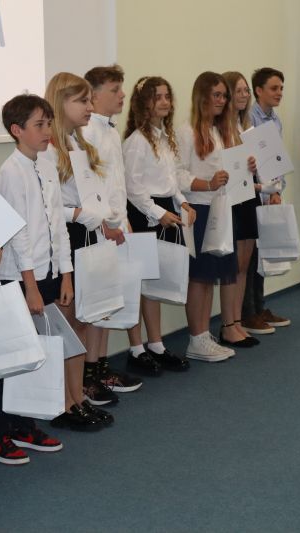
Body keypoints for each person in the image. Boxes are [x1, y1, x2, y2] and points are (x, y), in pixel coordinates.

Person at [0, 94, 69, 464]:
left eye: (48, 123)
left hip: (46, 272)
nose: (47, 131)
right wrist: (30, 287)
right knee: (11, 356)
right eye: (39, 125)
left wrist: (66, 274)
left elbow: (58, 225)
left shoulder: (46, 165)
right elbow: (17, 235)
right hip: (18, 279)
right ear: (17, 130)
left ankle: (23, 425)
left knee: (36, 353)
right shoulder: (11, 171)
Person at [42, 72, 116, 430]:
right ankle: (64, 402)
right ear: (61, 103)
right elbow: (49, 206)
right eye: (81, 101)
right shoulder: (48, 150)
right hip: (67, 235)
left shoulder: (78, 144)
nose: (89, 107)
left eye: (89, 100)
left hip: (87, 233)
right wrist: (81, 214)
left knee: (82, 320)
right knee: (67, 324)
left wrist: (101, 216)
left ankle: (77, 396)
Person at [176, 72, 256, 363]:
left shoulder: (220, 132)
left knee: (210, 277)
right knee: (199, 277)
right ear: (202, 97)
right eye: (217, 95)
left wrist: (245, 166)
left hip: (221, 209)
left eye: (224, 95)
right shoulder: (186, 132)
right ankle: (196, 338)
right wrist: (207, 184)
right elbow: (177, 175)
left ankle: (203, 335)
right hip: (200, 210)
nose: (222, 101)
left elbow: (227, 171)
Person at [123, 76, 197, 373]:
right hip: (144, 213)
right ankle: (136, 349)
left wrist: (182, 202)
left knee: (153, 282)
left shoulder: (164, 138)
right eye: (158, 97)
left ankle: (156, 345)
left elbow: (170, 180)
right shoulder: (136, 142)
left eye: (168, 96)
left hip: (164, 208)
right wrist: (158, 212)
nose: (165, 102)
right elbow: (133, 188)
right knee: (139, 282)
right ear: (144, 103)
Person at [82, 64, 143, 398]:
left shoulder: (110, 131)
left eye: (121, 88)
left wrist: (124, 220)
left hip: (118, 225)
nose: (122, 95)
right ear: (93, 95)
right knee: (97, 304)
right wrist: (107, 223)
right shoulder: (88, 132)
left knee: (108, 301)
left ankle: (101, 368)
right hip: (102, 229)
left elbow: (116, 183)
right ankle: (89, 374)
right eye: (114, 90)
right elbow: (90, 186)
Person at [242, 67, 291, 335]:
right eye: (274, 88)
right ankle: (247, 313)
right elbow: (251, 161)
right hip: (252, 193)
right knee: (249, 258)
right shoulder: (248, 118)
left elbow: (276, 159)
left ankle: (259, 308)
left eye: (281, 88)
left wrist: (277, 190)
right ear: (258, 91)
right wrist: (265, 188)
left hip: (269, 192)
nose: (279, 93)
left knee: (262, 253)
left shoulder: (276, 120)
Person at [222, 70, 262, 346]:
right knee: (234, 264)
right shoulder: (220, 128)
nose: (244, 95)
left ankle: (237, 321)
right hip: (232, 198)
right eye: (238, 91)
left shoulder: (246, 125)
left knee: (245, 264)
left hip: (249, 195)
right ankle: (228, 324)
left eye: (246, 90)